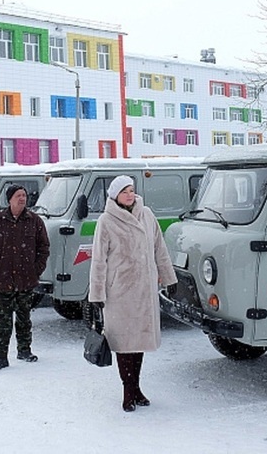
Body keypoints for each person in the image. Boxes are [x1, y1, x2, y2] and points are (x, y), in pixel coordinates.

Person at [88, 175, 178, 412]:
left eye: (132, 190)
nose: (130, 194)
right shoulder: (106, 221)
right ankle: (128, 390)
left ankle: (136, 387)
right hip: (119, 292)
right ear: (115, 195)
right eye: (124, 191)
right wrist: (96, 294)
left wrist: (169, 278)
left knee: (139, 343)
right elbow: (98, 261)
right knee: (124, 344)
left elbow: (160, 248)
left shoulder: (146, 214)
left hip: (144, 291)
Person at [0, 184, 50, 372]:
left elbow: (43, 247)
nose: (22, 198)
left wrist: (36, 269)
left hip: (26, 279)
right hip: (3, 279)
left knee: (24, 318)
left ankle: (24, 350)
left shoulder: (34, 221)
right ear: (10, 199)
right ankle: (0, 358)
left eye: (24, 195)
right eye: (18, 195)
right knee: (3, 321)